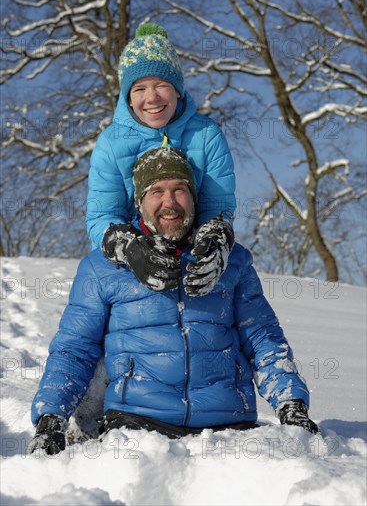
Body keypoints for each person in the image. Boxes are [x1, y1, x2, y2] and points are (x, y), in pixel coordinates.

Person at [30, 147, 318, 456]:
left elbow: (262, 338)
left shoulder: (232, 262)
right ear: (139, 202)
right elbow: (75, 348)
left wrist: (291, 403)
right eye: (156, 191)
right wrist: (51, 418)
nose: (170, 203)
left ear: (194, 199)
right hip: (136, 428)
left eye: (180, 190)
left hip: (229, 430)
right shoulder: (102, 268)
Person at [86, 22, 236, 297]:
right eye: (139, 89)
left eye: (162, 85)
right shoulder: (112, 142)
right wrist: (129, 248)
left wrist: (215, 242)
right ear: (128, 98)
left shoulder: (206, 135)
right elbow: (101, 215)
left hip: (190, 249)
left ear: (178, 89)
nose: (151, 98)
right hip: (138, 257)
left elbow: (218, 205)